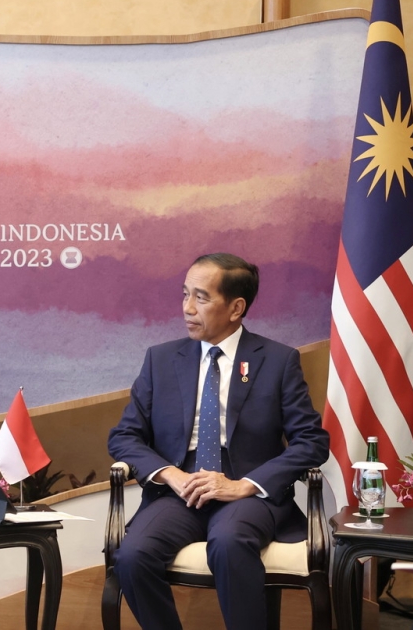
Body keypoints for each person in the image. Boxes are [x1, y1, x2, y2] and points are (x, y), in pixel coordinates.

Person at [107, 252, 330, 630]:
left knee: (228, 543)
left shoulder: (277, 360)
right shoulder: (161, 359)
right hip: (181, 488)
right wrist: (171, 476)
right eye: (184, 294)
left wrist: (244, 485)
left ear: (236, 307)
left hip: (247, 489)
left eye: (201, 297)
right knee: (132, 554)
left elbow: (312, 442)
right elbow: (125, 436)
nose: (187, 308)